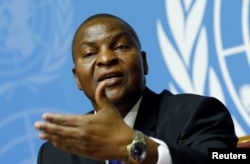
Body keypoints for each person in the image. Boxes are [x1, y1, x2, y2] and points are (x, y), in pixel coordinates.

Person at [34, 13, 238, 164]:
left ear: (144, 63)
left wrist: (137, 147)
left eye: (120, 47)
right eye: (89, 53)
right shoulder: (55, 154)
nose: (106, 58)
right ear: (77, 78)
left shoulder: (198, 113)